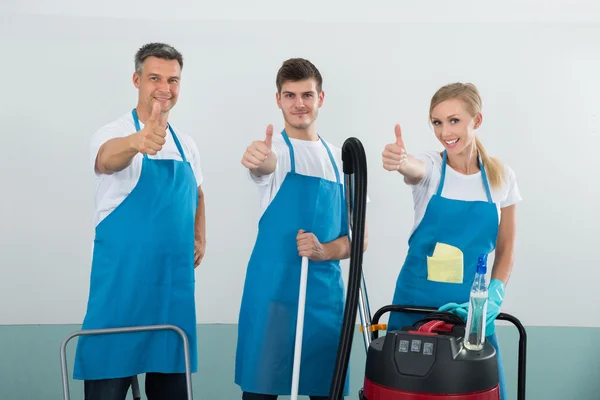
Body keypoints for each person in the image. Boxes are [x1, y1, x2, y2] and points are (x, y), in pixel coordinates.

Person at [72, 42, 206, 400]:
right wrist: (137, 141)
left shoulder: (187, 144)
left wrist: (200, 236)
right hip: (122, 286)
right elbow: (106, 160)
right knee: (107, 386)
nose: (165, 87)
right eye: (154, 78)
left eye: (173, 80)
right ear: (137, 80)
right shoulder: (112, 133)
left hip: (172, 288)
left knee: (172, 389)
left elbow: (198, 192)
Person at [235, 58, 369, 400]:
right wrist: (259, 160)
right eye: (290, 95)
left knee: (327, 389)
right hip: (273, 298)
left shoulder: (343, 161)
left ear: (320, 99)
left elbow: (359, 239)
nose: (299, 104)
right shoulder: (274, 153)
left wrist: (325, 251)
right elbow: (263, 168)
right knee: (260, 391)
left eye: (307, 95)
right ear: (278, 99)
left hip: (324, 302)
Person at [381, 82, 521, 400]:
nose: (445, 132)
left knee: (476, 392)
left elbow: (507, 246)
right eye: (437, 122)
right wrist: (401, 160)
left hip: (470, 313)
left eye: (454, 120)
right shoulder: (431, 167)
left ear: (477, 120)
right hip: (413, 308)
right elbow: (413, 169)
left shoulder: (502, 177)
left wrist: (495, 295)